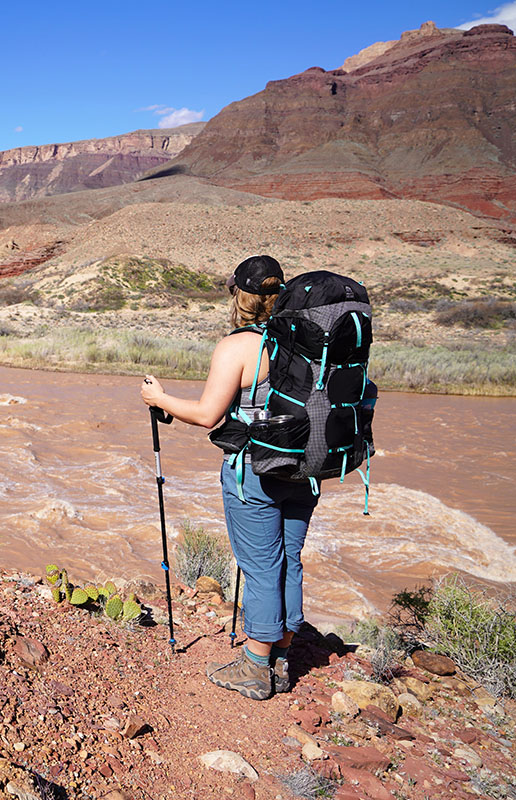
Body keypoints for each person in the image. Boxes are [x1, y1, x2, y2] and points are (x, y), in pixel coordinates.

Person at [139, 255, 318, 700]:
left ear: (239, 295)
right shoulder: (311, 341)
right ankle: (280, 655)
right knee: (289, 560)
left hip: (255, 470)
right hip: (306, 468)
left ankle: (256, 667)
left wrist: (157, 397)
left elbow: (206, 415)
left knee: (260, 567)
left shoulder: (238, 346)